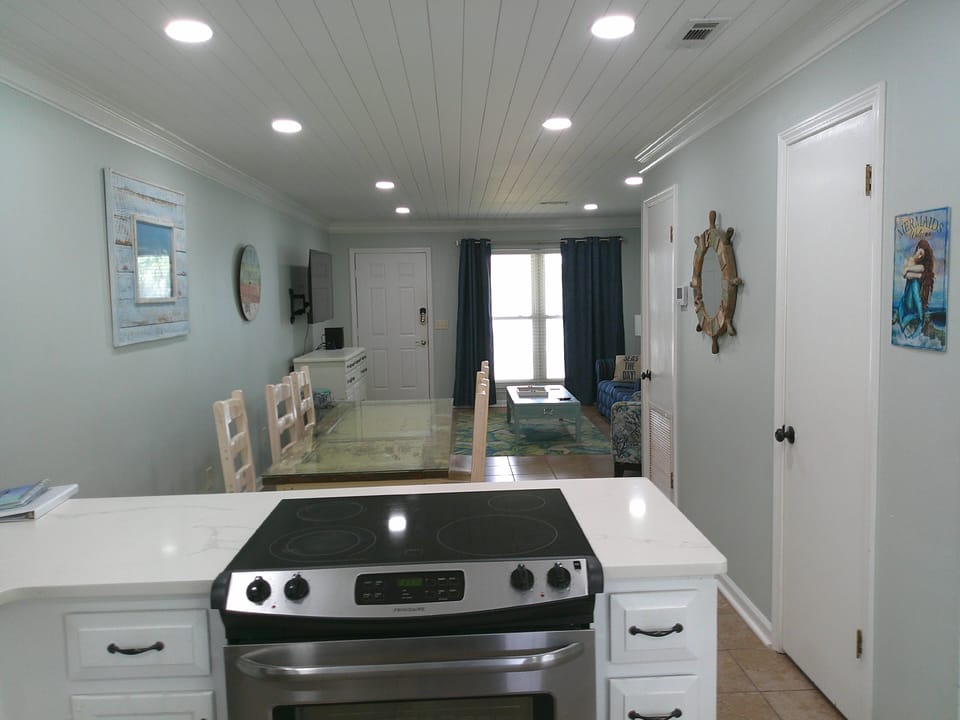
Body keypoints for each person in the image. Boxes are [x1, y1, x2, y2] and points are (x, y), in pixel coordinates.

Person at [896, 236, 935, 337]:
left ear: (924, 256)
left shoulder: (922, 266)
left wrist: (908, 269)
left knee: (914, 282)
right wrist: (917, 275)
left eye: (921, 254)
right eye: (918, 251)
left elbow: (906, 272)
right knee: (913, 281)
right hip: (908, 302)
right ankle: (919, 318)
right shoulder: (910, 261)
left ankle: (920, 319)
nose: (919, 255)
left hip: (915, 303)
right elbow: (905, 274)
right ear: (917, 248)